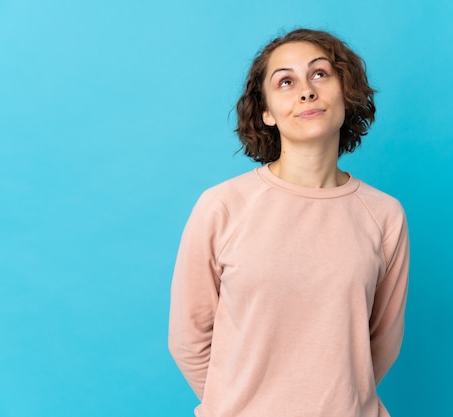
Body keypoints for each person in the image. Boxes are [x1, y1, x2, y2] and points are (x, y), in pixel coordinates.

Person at [168, 28, 410, 417]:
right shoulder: (222, 206)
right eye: (286, 81)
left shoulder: (384, 214)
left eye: (320, 74)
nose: (306, 91)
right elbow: (188, 338)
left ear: (345, 92)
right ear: (266, 112)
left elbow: (382, 342)